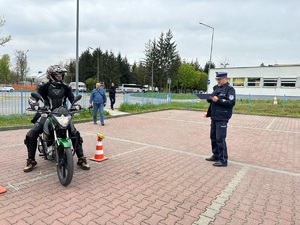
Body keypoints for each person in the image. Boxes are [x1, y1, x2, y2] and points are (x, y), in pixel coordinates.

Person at [24, 65, 90, 172]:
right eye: (58, 75)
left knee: (75, 133)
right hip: (47, 114)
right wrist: (35, 105)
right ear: (51, 76)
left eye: (61, 75)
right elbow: (33, 98)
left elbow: (73, 99)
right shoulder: (43, 86)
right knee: (31, 134)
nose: (61, 77)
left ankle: (81, 158)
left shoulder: (66, 87)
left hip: (62, 115)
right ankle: (31, 160)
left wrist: (75, 105)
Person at [205, 72, 236, 167]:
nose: (218, 81)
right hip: (214, 116)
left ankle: (223, 160)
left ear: (225, 78)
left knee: (220, 138)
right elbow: (210, 99)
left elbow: (231, 102)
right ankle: (216, 155)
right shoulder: (216, 88)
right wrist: (209, 97)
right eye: (217, 79)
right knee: (213, 137)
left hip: (222, 117)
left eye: (219, 79)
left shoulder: (230, 89)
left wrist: (217, 100)